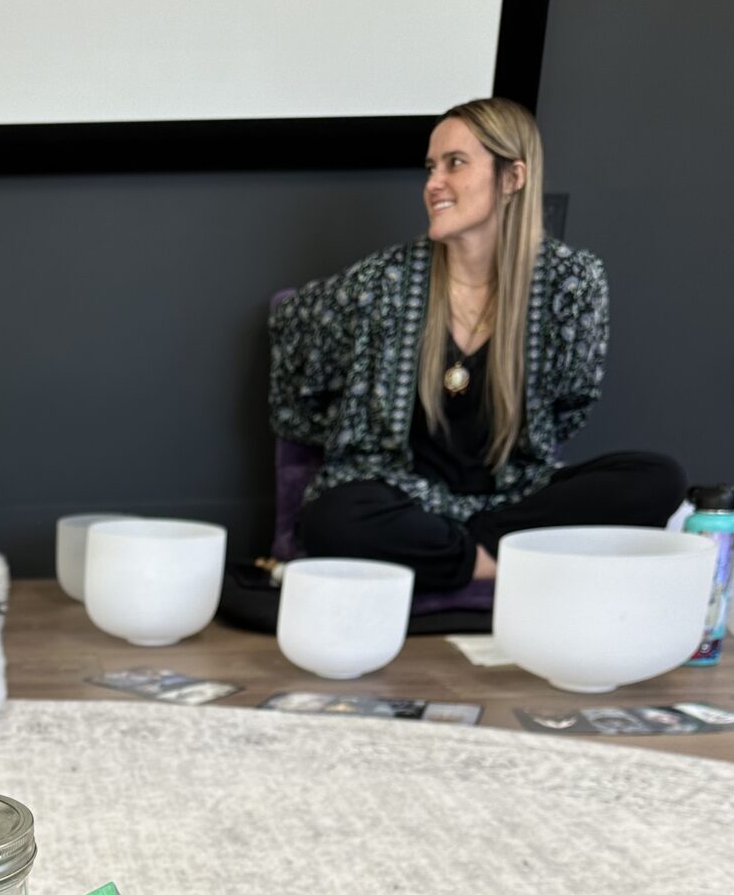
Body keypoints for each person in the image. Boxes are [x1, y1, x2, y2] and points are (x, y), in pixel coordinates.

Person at [269, 98, 685, 593]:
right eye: (430, 167)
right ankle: (504, 562)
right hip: (403, 495)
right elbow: (295, 383)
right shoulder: (382, 281)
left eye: (455, 163)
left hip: (514, 496)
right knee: (333, 517)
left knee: (658, 478)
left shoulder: (570, 283)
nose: (433, 183)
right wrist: (349, 427)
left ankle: (462, 555)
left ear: (513, 177)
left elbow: (571, 406)